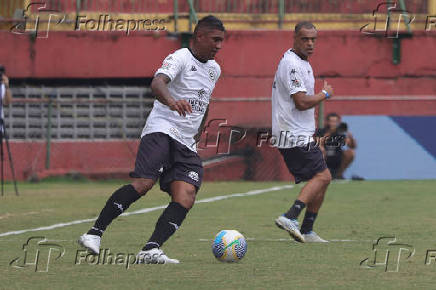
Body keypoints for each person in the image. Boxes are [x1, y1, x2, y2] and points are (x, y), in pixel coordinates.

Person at [78, 15, 225, 264]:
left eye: (222, 41)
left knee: (186, 195)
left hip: (186, 141)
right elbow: (157, 83)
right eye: (215, 39)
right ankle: (94, 233)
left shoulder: (214, 69)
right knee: (144, 183)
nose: (219, 46)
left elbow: (205, 102)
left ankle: (151, 249)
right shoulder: (180, 58)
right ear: (199, 36)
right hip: (162, 129)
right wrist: (172, 101)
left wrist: (198, 130)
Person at [271, 21, 333, 243]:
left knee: (323, 178)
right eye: (305, 39)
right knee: (323, 176)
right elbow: (301, 102)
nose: (310, 43)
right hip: (292, 133)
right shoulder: (292, 64)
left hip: (299, 132)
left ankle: (307, 229)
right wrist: (324, 94)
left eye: (313, 39)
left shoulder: (302, 63)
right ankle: (290, 216)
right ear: (295, 38)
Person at [316, 112, 357, 179]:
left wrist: (351, 138)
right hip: (324, 158)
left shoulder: (340, 133)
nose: (333, 123)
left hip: (337, 158)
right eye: (331, 121)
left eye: (335, 121)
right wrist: (329, 133)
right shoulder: (321, 131)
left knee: (350, 153)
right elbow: (318, 144)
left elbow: (352, 146)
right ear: (327, 122)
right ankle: (321, 175)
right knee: (320, 151)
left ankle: (338, 175)